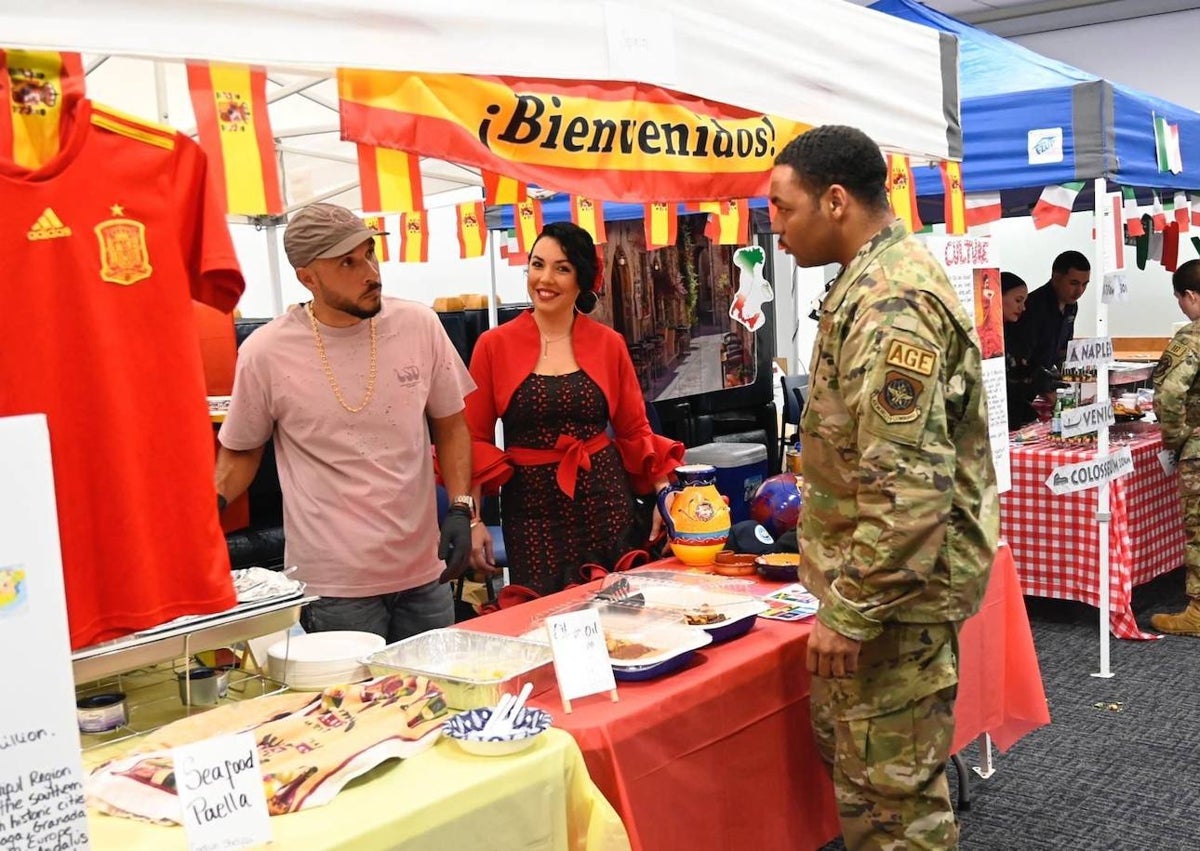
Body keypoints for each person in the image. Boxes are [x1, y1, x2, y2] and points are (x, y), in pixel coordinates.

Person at [768, 125, 999, 850]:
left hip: (894, 606)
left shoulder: (892, 300)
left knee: (895, 815)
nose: (773, 228)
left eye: (782, 207)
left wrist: (854, 610)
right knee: (874, 793)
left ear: (835, 201)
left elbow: (910, 491)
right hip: (883, 598)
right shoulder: (870, 282)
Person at [215, 203, 477, 643]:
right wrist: (208, 512)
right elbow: (241, 453)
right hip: (333, 586)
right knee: (350, 708)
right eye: (348, 263)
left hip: (422, 570)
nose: (370, 272)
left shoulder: (419, 326)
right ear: (307, 277)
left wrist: (460, 507)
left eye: (369, 253)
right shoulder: (266, 352)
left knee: (436, 700)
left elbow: (451, 426)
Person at [464, 221, 684, 595]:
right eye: (537, 264)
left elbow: (634, 430)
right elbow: (472, 440)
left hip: (605, 503)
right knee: (543, 624)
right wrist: (472, 521)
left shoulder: (608, 343)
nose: (544, 278)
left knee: (621, 618)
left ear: (582, 280)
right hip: (531, 512)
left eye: (561, 268)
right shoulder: (492, 345)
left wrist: (664, 492)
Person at [1150, 258, 1200, 636]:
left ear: (1191, 296)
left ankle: (1198, 612)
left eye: (1180, 300)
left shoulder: (1191, 337)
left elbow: (1170, 393)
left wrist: (1175, 437)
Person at [1006, 250, 1091, 380]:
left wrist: (1075, 377)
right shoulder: (1032, 307)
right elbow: (1022, 360)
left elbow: (1063, 351)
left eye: (1084, 284)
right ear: (1056, 278)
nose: (1079, 291)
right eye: (1074, 283)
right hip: (1026, 382)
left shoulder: (1072, 306)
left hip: (1048, 377)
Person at [1000, 271, 1043, 429]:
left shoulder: (1012, 333)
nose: (1023, 308)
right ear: (997, 297)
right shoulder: (986, 335)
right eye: (1018, 300)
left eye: (1024, 301)